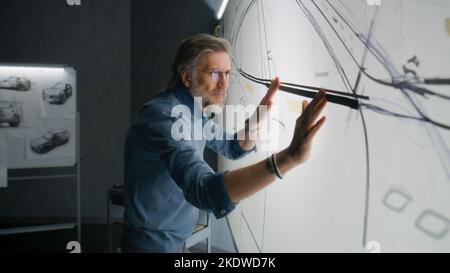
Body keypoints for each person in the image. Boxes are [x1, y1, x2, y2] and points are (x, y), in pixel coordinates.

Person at [121, 33, 327, 253]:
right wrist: (288, 158)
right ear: (187, 77)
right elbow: (205, 191)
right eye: (215, 74)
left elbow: (232, 146)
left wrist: (256, 121)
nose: (224, 84)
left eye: (227, 74)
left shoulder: (192, 111)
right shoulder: (166, 118)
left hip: (176, 242)